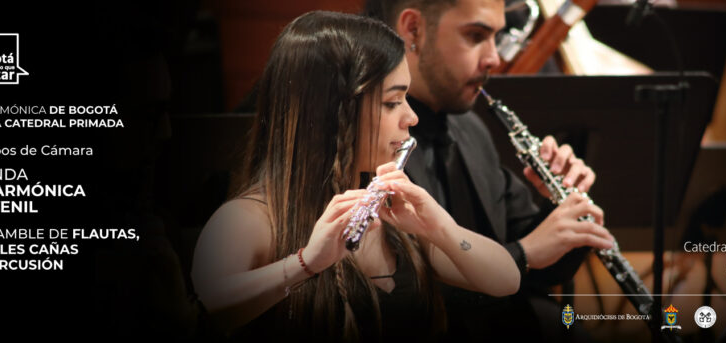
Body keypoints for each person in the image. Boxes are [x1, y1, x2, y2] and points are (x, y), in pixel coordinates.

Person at [189, 10, 520, 342]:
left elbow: (506, 281)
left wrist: (440, 227)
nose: (411, 117)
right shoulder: (247, 220)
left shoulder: (393, 216)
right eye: (392, 102)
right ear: (333, 112)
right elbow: (202, 313)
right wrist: (306, 263)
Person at [364, 0, 614, 341]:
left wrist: (565, 216)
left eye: (496, 37)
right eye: (476, 35)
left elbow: (532, 252)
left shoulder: (469, 126)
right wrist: (523, 255)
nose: (494, 58)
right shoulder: (365, 139)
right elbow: (407, 295)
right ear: (413, 30)